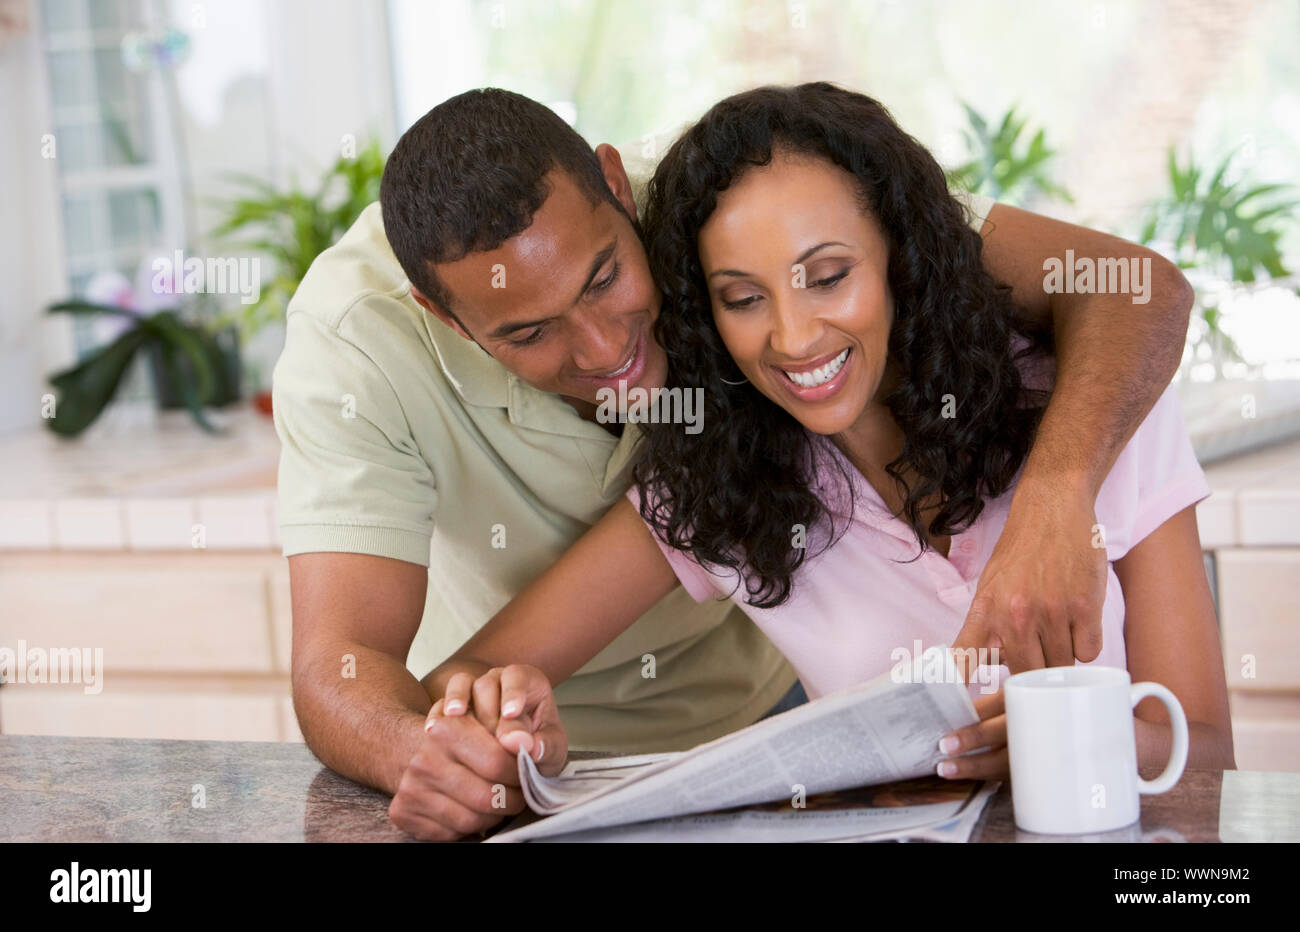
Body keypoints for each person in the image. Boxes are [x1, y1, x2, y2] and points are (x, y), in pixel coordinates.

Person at [274, 86, 1195, 842]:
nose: (601, 351)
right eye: (740, 298)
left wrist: (1054, 508)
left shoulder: (734, 197)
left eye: (604, 280)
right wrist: (466, 741)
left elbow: (1132, 288)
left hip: (786, 721)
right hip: (611, 775)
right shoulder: (717, 485)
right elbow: (375, 670)